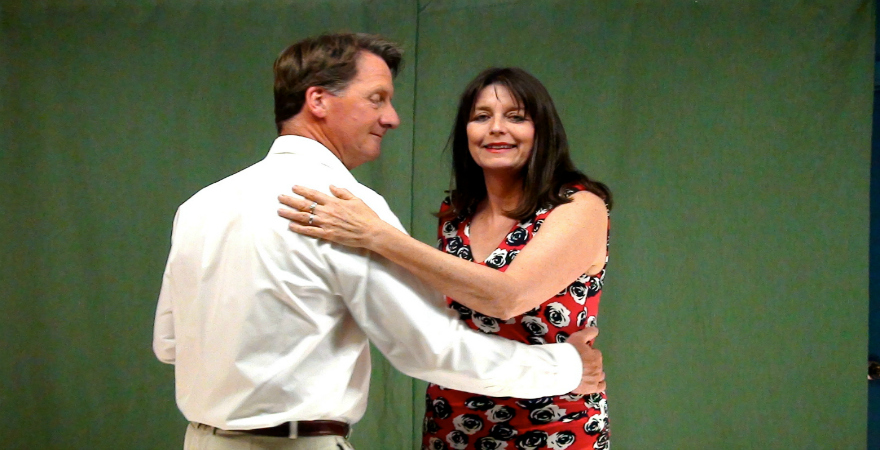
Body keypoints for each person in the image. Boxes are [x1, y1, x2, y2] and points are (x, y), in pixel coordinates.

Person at [153, 34, 605, 450]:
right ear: (318, 101)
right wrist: (566, 367)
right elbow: (429, 347)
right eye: (377, 99)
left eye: (517, 117)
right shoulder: (346, 210)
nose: (391, 118)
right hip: (323, 439)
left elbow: (169, 344)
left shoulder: (200, 205)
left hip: (204, 441)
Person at [278, 67, 612, 450]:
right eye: (481, 116)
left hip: (553, 424)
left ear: (543, 130)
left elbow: (506, 297)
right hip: (452, 420)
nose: (496, 128)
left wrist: (375, 234)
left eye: (516, 117)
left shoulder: (578, 206)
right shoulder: (457, 214)